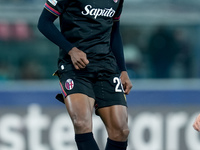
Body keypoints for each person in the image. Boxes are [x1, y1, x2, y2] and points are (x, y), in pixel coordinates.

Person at [37, 0, 132, 150]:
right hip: (75, 66)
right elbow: (44, 22)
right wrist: (71, 49)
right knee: (81, 123)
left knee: (121, 131)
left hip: (106, 66)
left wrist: (123, 70)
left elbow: (114, 31)